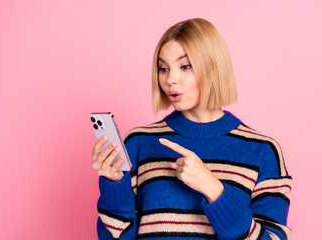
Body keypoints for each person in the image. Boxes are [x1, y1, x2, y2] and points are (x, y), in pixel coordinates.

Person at [91, 18, 292, 240]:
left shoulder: (263, 151)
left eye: (185, 66)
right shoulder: (139, 142)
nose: (170, 80)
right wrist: (114, 186)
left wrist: (214, 189)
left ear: (214, 67)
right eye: (163, 68)